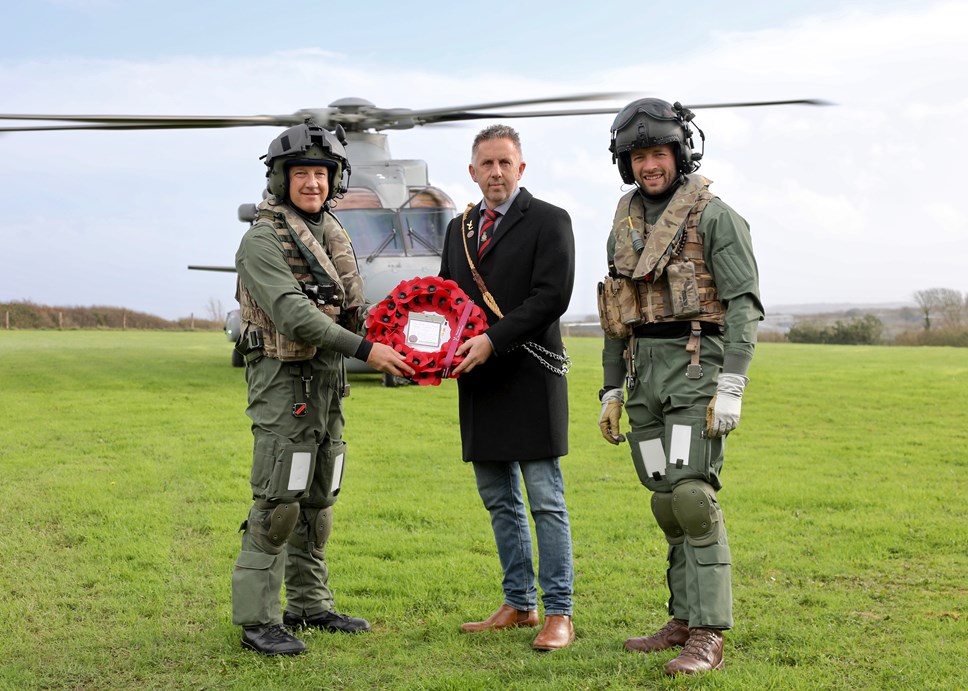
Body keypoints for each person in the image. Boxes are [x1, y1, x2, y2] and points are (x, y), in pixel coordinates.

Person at [231, 119, 414, 656]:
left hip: (327, 382)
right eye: (301, 173)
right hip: (284, 383)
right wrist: (366, 351)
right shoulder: (261, 240)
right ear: (280, 180)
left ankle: (308, 604)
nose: (312, 182)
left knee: (317, 498)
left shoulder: (332, 235)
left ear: (335, 180)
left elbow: (351, 309)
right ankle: (256, 620)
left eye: (321, 173)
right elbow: (292, 314)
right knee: (278, 502)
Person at [597, 99, 763, 675]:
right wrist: (611, 390)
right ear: (627, 162)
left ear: (680, 153)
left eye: (658, 153)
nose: (649, 165)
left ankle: (710, 634)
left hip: (698, 368)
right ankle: (684, 617)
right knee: (666, 500)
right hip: (644, 376)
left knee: (693, 496)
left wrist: (733, 382)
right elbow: (617, 314)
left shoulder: (715, 216)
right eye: (639, 156)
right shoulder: (624, 224)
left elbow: (744, 306)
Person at [439, 124, 577, 651]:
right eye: (486, 165)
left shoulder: (550, 221)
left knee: (545, 500)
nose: (495, 173)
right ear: (472, 172)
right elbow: (445, 298)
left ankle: (558, 611)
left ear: (521, 169)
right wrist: (429, 352)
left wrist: (492, 342)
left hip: (531, 375)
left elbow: (551, 297)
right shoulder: (458, 229)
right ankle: (519, 603)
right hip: (477, 379)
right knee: (499, 499)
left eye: (505, 163)